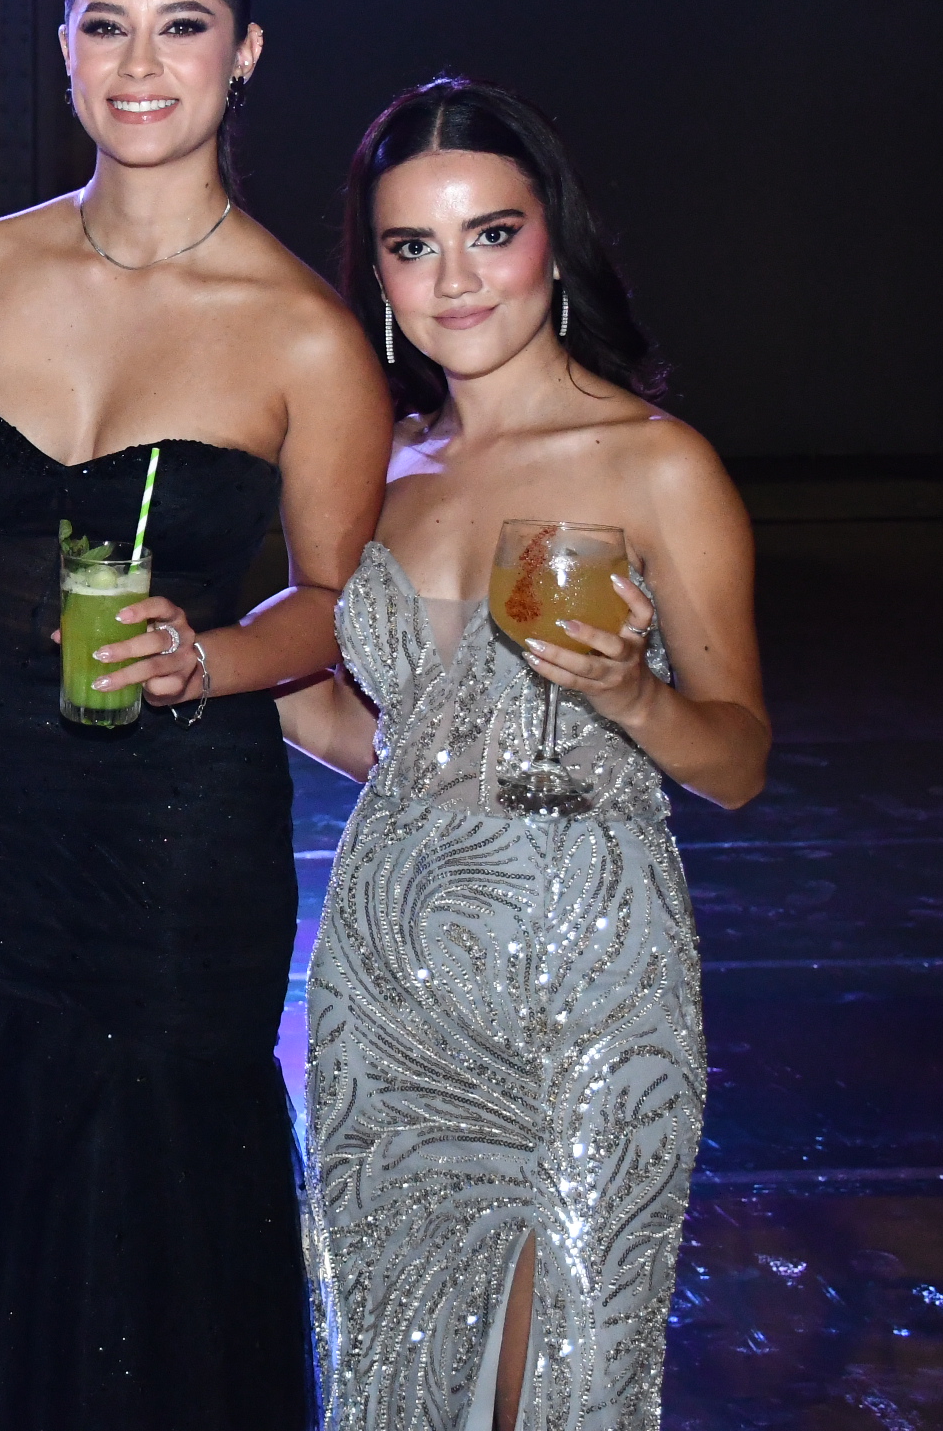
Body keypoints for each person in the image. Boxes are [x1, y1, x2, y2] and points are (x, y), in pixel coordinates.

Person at [0, 0, 392, 1431]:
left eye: (182, 27)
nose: (142, 64)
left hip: (172, 850)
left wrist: (209, 657)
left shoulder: (307, 336)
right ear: (65, 49)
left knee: (152, 1215)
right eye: (108, 25)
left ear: (246, 53)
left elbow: (334, 607)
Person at [281, 78, 768, 1431]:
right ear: (379, 275)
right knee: (401, 1381)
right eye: (413, 245)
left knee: (564, 1384)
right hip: (388, 993)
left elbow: (737, 759)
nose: (456, 279)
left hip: (585, 991)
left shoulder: (656, 465)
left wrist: (632, 696)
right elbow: (396, 742)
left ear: (553, 237)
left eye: (490, 233)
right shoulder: (380, 467)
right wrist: (211, 667)